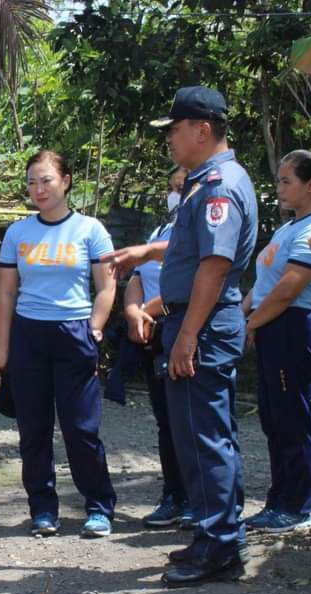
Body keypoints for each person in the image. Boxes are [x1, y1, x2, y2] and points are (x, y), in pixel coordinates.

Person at [144, 86, 258, 585]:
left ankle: (219, 546)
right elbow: (195, 253)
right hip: (199, 320)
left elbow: (214, 265)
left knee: (203, 437)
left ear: (201, 130)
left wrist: (188, 334)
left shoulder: (218, 186)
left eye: (173, 129)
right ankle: (219, 537)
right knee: (209, 434)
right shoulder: (207, 181)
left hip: (203, 323)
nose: (169, 138)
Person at [0, 150, 118, 538]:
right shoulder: (18, 233)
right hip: (29, 334)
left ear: (66, 181)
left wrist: (94, 328)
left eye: (46, 180)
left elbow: (107, 286)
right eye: (31, 182)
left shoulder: (91, 230)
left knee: (81, 428)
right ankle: (43, 509)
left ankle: (98, 507)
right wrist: (2, 345)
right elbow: (7, 293)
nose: (38, 189)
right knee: (33, 429)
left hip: (74, 333)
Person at [242, 151, 311, 533]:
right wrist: (245, 313)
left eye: (286, 181)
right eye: (279, 181)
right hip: (272, 325)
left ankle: (296, 507)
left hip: (292, 327)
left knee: (293, 421)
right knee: (274, 419)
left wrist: (251, 322)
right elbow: (264, 284)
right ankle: (278, 502)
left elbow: (287, 290)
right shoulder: (288, 228)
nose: (279, 188)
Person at [124, 167, 192, 529]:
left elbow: (194, 280)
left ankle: (199, 499)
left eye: (184, 186)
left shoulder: (199, 230)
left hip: (180, 325)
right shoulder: (161, 231)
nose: (177, 192)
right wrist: (134, 311)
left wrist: (149, 311)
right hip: (154, 333)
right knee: (166, 421)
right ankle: (174, 495)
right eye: (173, 186)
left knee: (191, 421)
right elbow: (136, 277)